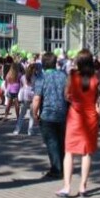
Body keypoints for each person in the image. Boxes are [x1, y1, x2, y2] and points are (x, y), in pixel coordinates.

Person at [56, 49, 99, 198]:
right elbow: (95, 97)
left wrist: (73, 100)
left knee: (69, 151)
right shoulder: (95, 78)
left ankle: (67, 187)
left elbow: (66, 94)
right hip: (91, 117)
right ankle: (83, 187)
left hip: (75, 116)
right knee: (86, 153)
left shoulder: (73, 76)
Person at [32, 52, 67, 180]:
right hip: (62, 113)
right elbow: (69, 95)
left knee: (52, 142)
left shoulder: (41, 77)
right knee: (61, 141)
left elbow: (37, 98)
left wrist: (34, 113)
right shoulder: (63, 76)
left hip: (47, 114)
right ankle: (63, 166)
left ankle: (56, 169)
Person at [14, 63, 36, 135]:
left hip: (25, 96)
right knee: (32, 115)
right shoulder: (35, 77)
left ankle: (17, 130)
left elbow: (21, 86)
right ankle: (30, 130)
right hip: (33, 96)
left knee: (22, 114)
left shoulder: (23, 77)